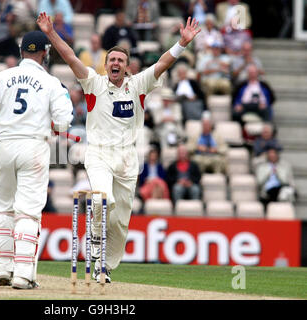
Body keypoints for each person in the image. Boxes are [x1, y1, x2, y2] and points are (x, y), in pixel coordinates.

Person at [37, 12, 200, 282]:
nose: (115, 63)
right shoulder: (93, 83)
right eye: (112, 59)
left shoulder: (137, 85)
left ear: (127, 67)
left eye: (120, 60)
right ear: (106, 64)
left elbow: (162, 64)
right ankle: (95, 254)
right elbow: (70, 57)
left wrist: (182, 44)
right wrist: (50, 33)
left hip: (127, 160)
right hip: (99, 154)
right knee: (103, 200)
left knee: (120, 221)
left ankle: (106, 267)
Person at [0, 30, 73, 289]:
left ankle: (3, 269)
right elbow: (63, 124)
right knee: (27, 212)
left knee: (3, 207)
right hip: (33, 147)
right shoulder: (52, 83)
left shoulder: (3, 77)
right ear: (45, 53)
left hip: (3, 145)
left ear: (21, 51)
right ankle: (23, 275)